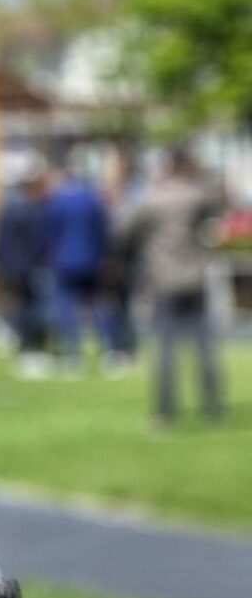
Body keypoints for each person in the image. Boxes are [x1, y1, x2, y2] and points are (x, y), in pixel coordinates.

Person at [120, 145, 225, 426]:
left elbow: (125, 232)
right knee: (205, 348)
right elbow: (215, 211)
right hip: (195, 278)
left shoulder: (153, 199)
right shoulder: (197, 195)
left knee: (165, 349)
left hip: (163, 279)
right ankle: (213, 407)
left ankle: (164, 411)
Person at [41, 160, 111, 370]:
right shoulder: (92, 200)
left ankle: (71, 352)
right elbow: (102, 231)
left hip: (64, 261)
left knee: (65, 307)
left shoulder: (56, 201)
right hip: (91, 260)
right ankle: (108, 350)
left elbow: (48, 232)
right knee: (97, 304)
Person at [0, 164, 53, 375]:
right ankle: (31, 347)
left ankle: (25, 346)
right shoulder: (30, 209)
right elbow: (37, 241)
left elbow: (0, 241)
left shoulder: (10, 208)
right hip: (28, 267)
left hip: (14, 267)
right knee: (31, 309)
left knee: (22, 306)